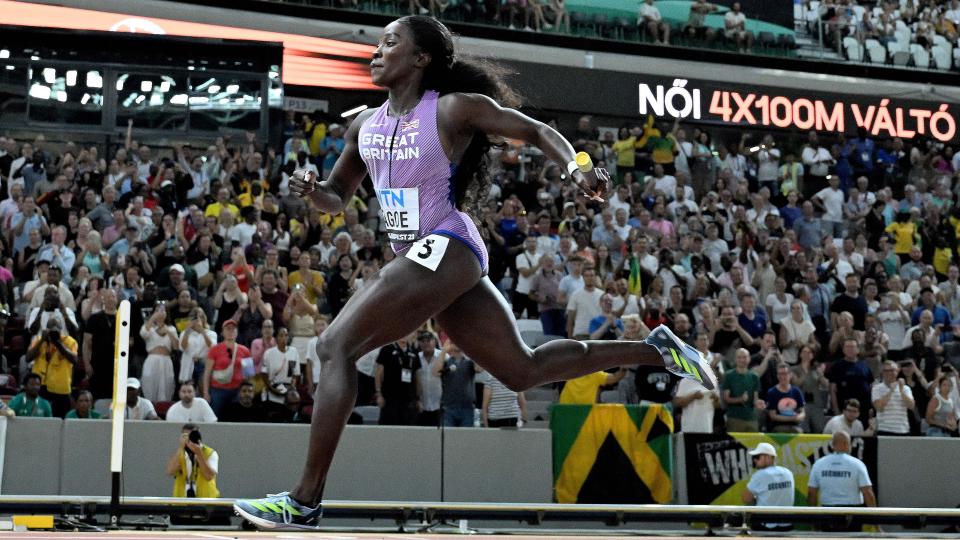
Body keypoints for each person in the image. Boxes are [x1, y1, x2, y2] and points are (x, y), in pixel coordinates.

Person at [235, 16, 714, 528]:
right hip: (424, 258)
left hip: (446, 244)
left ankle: (304, 500)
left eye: (390, 43)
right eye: (377, 44)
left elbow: (531, 129)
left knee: (334, 346)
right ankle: (658, 349)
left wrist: (577, 167)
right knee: (521, 370)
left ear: (421, 59)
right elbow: (337, 198)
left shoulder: (451, 109)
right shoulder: (362, 127)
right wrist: (314, 190)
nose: (377, 51)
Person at [807, 431, 877, 532]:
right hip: (853, 514)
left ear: (833, 445)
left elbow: (811, 493)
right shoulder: (857, 464)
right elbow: (868, 493)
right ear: (845, 444)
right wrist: (876, 523)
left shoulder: (819, 464)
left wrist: (814, 523)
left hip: (827, 512)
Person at [27, 318, 78, 418]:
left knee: (59, 420)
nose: (53, 332)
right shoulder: (38, 340)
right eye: (50, 329)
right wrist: (42, 340)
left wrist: (58, 343)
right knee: (38, 418)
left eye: (56, 329)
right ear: (46, 330)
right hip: (40, 387)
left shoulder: (70, 342)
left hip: (61, 389)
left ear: (61, 329)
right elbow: (28, 358)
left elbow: (74, 359)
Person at [743, 442, 795, 532]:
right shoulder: (788, 472)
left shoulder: (760, 475)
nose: (755, 460)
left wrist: (756, 501)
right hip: (787, 524)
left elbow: (745, 498)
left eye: (757, 457)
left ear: (768, 457)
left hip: (766, 525)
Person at [166, 424, 220, 498]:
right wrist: (181, 448)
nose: (190, 438)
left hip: (206, 501)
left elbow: (209, 476)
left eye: (193, 435)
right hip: (182, 501)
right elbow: (170, 471)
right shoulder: (180, 454)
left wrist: (199, 453)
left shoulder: (210, 453)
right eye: (186, 436)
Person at [871, 360, 914, 436]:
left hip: (902, 429)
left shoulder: (905, 388)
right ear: (882, 372)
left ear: (897, 371)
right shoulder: (876, 388)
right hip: (884, 429)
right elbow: (879, 407)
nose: (889, 373)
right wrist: (891, 391)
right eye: (886, 371)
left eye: (891, 370)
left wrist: (901, 390)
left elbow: (911, 406)